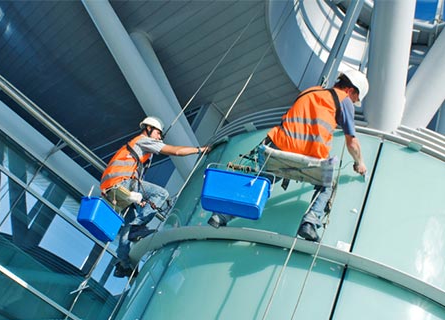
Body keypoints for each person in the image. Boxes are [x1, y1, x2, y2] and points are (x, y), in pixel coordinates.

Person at [208, 70, 368, 242]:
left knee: (262, 182)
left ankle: (221, 215)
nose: (352, 102)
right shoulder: (344, 100)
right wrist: (360, 163)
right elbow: (351, 142)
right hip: (310, 156)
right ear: (351, 90)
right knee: (327, 186)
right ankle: (310, 223)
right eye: (354, 99)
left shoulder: (310, 91)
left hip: (279, 148)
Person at [101, 116, 210, 277]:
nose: (159, 137)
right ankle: (138, 227)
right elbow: (177, 151)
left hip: (112, 189)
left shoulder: (138, 147)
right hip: (122, 183)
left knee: (127, 228)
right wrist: (201, 150)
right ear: (148, 129)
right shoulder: (143, 140)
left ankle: (124, 264)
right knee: (161, 194)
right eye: (158, 133)